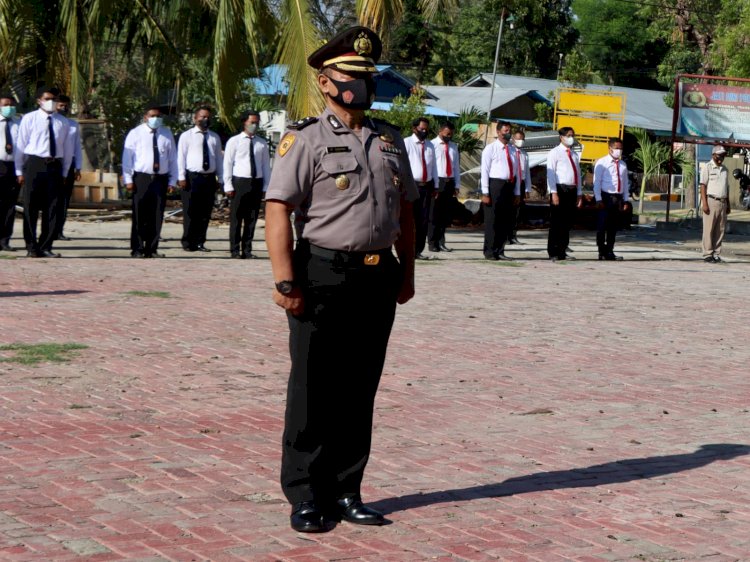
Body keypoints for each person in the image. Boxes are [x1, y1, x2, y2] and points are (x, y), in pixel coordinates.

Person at [264, 26, 417, 533]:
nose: (361, 85)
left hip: (378, 278)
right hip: (323, 273)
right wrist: (286, 282)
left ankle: (348, 490)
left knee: (359, 389)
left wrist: (408, 271)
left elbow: (407, 213)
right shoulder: (305, 139)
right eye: (351, 76)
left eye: (367, 76)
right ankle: (306, 495)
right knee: (313, 388)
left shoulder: (390, 140)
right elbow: (278, 209)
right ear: (326, 83)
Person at [15, 86, 72, 258]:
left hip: (54, 166)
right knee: (31, 207)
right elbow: (21, 146)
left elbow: (67, 149)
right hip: (34, 163)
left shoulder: (63, 122)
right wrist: (19, 170)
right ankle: (31, 246)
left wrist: (64, 172)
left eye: (54, 99)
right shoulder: (29, 119)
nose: (51, 102)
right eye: (47, 99)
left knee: (52, 208)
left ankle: (46, 245)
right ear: (39, 100)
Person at [122, 104, 178, 258]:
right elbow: (128, 158)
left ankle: (151, 249)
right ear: (146, 117)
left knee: (157, 215)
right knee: (140, 214)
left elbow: (173, 158)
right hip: (142, 178)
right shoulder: (136, 133)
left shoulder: (166, 134)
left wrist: (173, 180)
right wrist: (128, 179)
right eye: (152, 116)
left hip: (160, 179)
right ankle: (137, 248)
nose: (156, 119)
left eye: (158, 116)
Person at [223, 110, 270, 259]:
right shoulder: (234, 141)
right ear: (245, 122)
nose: (255, 125)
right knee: (237, 218)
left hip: (256, 182)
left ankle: (247, 250)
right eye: (252, 122)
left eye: (257, 122)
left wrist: (266, 187)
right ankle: (235, 249)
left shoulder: (261, 143)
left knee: (251, 218)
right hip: (240, 181)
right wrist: (228, 185)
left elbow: (265, 166)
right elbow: (228, 163)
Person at [177, 106, 223, 252]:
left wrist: (220, 178)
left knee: (205, 212)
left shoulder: (214, 137)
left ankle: (200, 242)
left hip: (209, 178)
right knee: (190, 211)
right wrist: (181, 176)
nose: (205, 119)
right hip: (192, 177)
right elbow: (181, 157)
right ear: (195, 118)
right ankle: (188, 242)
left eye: (208, 117)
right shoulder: (187, 136)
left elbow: (218, 160)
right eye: (202, 117)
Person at [480, 121, 520, 260]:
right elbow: (484, 171)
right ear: (498, 132)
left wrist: (517, 192)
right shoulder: (490, 149)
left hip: (509, 185)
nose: (507, 133)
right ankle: (490, 251)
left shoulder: (513, 149)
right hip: (495, 185)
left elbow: (517, 171)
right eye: (505, 130)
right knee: (493, 220)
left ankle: (500, 249)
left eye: (509, 130)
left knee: (505, 220)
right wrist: (485, 192)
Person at [403, 117, 438, 258]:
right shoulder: (406, 143)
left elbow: (434, 167)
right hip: (412, 186)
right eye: (421, 129)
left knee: (423, 220)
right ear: (414, 128)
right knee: (410, 219)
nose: (424, 131)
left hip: (426, 187)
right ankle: (407, 249)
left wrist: (435, 185)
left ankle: (418, 250)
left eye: (426, 129)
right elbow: (403, 165)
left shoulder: (430, 145)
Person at [546, 127, 582, 261]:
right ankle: (553, 252)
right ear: (561, 137)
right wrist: (553, 192)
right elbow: (551, 174)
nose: (571, 138)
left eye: (572, 135)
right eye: (568, 135)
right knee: (556, 222)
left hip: (572, 190)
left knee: (567, 223)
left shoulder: (574, 154)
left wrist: (579, 193)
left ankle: (562, 250)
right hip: (560, 189)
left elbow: (578, 174)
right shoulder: (554, 152)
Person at [593, 138, 631, 260]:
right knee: (601, 226)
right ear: (610, 148)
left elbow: (625, 184)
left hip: (617, 198)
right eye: (616, 148)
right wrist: (598, 199)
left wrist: (625, 200)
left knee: (613, 227)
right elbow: (597, 182)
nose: (618, 151)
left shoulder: (623, 165)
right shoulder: (602, 163)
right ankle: (601, 250)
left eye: (620, 148)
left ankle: (609, 250)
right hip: (605, 197)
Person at [56, 94, 82, 241]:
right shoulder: (51, 122)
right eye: (60, 105)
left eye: (65, 105)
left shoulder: (73, 125)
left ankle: (59, 230)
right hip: (54, 162)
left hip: (69, 163)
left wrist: (78, 167)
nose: (63, 108)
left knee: (64, 199)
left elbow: (77, 147)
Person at [430, 122, 460, 252]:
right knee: (434, 214)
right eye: (447, 134)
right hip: (438, 181)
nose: (449, 136)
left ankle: (441, 242)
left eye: (451, 134)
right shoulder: (432, 145)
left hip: (449, 181)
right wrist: (434, 185)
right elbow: (430, 165)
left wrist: (457, 184)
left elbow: (456, 167)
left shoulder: (453, 146)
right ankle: (432, 243)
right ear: (440, 131)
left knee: (444, 215)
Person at [700, 145, 730, 263]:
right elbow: (703, 186)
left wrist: (728, 205)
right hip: (711, 201)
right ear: (713, 155)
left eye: (723, 155)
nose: (721, 158)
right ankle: (707, 254)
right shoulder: (707, 167)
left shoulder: (725, 170)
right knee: (709, 229)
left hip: (722, 202)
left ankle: (716, 253)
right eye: (719, 155)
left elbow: (727, 188)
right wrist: (705, 204)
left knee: (720, 229)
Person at [0, 93, 21, 252]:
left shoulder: (19, 123)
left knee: (9, 205)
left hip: (14, 166)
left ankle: (5, 240)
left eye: (11, 105)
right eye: (5, 105)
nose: (9, 108)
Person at [508, 130, 531, 245]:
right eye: (517, 138)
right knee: (508, 210)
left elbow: (526, 172)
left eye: (522, 139)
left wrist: (527, 188)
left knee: (517, 211)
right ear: (513, 139)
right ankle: (506, 236)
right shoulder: (510, 151)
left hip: (521, 183)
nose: (520, 141)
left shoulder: (524, 154)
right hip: (511, 182)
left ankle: (513, 235)